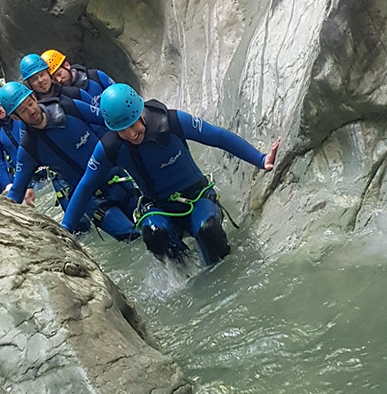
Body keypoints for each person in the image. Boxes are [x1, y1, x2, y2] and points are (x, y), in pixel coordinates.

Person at [61, 84, 280, 265]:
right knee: (154, 234)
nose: (131, 134)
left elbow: (218, 137)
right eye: (122, 130)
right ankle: (185, 272)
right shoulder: (110, 148)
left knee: (207, 231)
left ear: (141, 112)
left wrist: (260, 159)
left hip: (196, 197)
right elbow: (86, 186)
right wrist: (66, 229)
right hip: (159, 208)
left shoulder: (173, 122)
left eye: (133, 124)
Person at [0, 82, 139, 241]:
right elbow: (16, 192)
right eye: (23, 110)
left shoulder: (69, 107)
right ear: (15, 117)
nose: (31, 110)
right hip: (89, 199)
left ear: (34, 97)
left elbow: (108, 121)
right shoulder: (29, 148)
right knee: (131, 236)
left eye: (30, 103)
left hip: (116, 179)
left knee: (150, 229)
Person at [42, 49, 114, 100]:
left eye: (59, 74)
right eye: (54, 79)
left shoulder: (95, 75)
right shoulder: (62, 99)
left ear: (67, 65)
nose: (59, 80)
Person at [20, 53, 92, 104]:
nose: (40, 80)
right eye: (34, 79)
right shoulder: (35, 108)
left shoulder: (73, 93)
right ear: (30, 85)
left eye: (42, 75)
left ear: (48, 74)